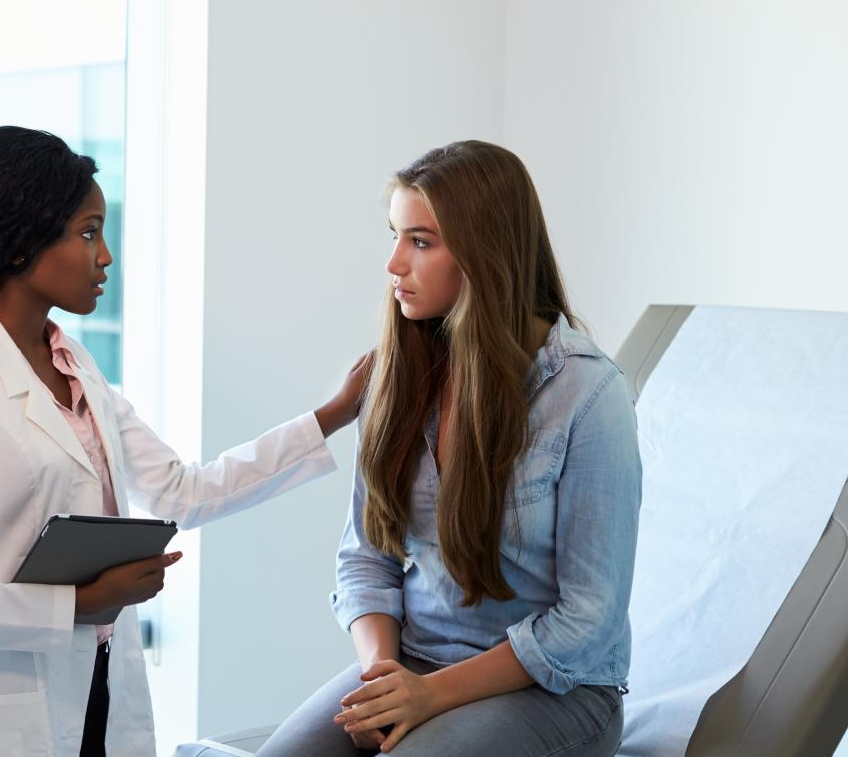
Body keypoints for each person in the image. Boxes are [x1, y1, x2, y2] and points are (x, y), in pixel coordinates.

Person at [0, 125, 368, 757]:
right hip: (3, 712)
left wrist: (334, 413)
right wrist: (74, 605)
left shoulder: (74, 364)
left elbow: (183, 492)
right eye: (87, 232)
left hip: (102, 688)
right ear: (23, 242)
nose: (105, 256)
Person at [258, 141, 641, 756]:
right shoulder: (396, 374)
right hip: (413, 662)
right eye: (394, 235)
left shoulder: (589, 395)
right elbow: (366, 559)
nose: (393, 264)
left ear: (486, 252)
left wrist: (430, 696)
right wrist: (385, 679)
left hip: (554, 693)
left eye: (420, 241)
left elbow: (587, 622)